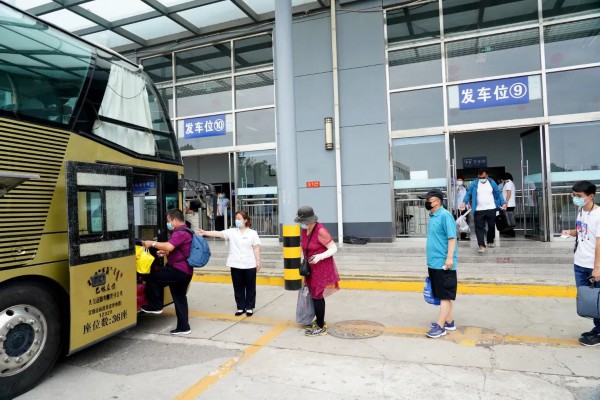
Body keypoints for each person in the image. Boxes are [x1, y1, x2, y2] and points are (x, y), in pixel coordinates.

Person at [197, 210, 261, 316]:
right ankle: (240, 307)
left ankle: (249, 307)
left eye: (239, 219)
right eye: (236, 219)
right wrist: (205, 233)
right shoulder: (232, 231)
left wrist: (258, 261)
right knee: (238, 286)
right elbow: (219, 233)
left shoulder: (252, 233)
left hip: (249, 264)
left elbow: (256, 248)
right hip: (235, 263)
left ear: (245, 220)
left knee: (250, 286)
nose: (237, 221)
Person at [141, 209, 193, 336]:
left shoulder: (180, 232)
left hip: (178, 270)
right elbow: (178, 249)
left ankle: (155, 306)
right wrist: (165, 252)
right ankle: (184, 327)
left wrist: (152, 243)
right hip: (185, 271)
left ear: (175, 220)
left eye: (169, 221)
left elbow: (169, 246)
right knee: (180, 298)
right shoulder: (187, 231)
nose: (168, 224)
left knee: (152, 277)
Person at [561, 181, 600, 346]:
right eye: (573, 195)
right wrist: (570, 232)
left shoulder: (598, 215)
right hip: (579, 263)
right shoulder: (581, 211)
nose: (575, 198)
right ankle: (597, 328)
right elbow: (581, 231)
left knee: (598, 300)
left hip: (593, 265)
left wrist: (597, 267)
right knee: (589, 300)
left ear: (591, 196)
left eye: (578, 196)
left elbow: (599, 243)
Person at [295, 205, 340, 337]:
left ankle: (320, 326)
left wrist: (319, 257)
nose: (302, 224)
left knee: (317, 296)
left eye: (304, 221)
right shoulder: (305, 230)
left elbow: (333, 248)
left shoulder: (320, 230)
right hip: (310, 267)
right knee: (314, 295)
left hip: (321, 267)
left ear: (311, 219)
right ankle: (320, 321)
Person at [419, 189, 458, 339]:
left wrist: (449, 258)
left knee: (444, 296)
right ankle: (449, 321)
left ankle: (440, 327)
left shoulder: (445, 215)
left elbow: (452, 238)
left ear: (436, 201)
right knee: (443, 294)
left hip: (443, 263)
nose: (426, 202)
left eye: (428, 200)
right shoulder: (434, 216)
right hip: (434, 263)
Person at [460, 168, 506, 253]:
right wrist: (463, 203)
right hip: (478, 210)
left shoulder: (491, 182)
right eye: (480, 177)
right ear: (478, 176)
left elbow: (498, 193)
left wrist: (503, 203)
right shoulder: (474, 183)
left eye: (483, 177)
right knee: (479, 228)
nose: (482, 179)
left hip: (491, 208)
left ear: (487, 175)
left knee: (491, 226)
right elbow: (468, 194)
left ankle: (490, 241)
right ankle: (481, 245)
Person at [500, 172, 517, 238]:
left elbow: (508, 193)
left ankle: (511, 233)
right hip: (509, 204)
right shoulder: (510, 183)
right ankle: (509, 232)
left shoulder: (508, 183)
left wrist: (506, 203)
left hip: (508, 204)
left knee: (508, 219)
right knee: (508, 219)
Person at [453, 175, 469, 240]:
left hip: (464, 208)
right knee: (457, 222)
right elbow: (454, 196)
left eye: (460, 180)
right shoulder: (454, 188)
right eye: (458, 180)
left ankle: (463, 236)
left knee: (464, 221)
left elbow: (465, 197)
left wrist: (467, 205)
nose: (459, 181)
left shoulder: (464, 189)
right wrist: (457, 190)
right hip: (457, 208)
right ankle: (456, 236)